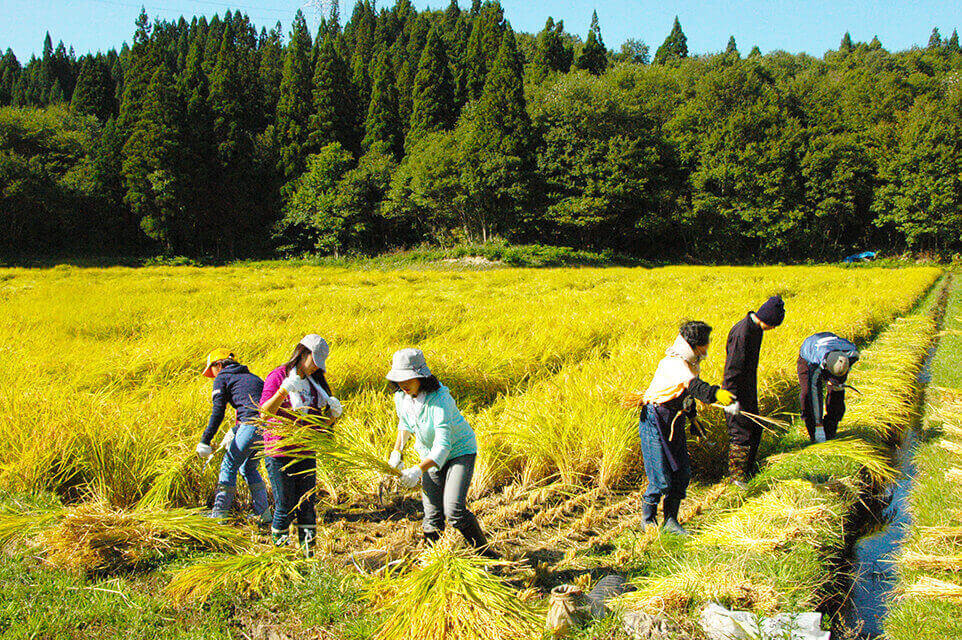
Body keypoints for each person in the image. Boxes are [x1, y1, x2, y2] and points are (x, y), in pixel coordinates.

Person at [384, 348, 496, 557]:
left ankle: (487, 555)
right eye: (399, 380)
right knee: (432, 515)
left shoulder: (441, 399)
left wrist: (418, 470)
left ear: (420, 376)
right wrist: (397, 451)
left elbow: (443, 446)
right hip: (429, 454)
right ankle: (433, 561)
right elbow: (405, 423)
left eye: (407, 378)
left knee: (454, 510)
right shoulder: (402, 397)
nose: (402, 384)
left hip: (459, 452)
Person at [638, 321, 739, 536]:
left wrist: (693, 417)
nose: (709, 346)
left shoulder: (690, 362)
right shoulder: (673, 364)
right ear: (695, 345)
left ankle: (671, 521)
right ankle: (648, 520)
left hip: (674, 419)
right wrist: (717, 395)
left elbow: (686, 394)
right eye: (706, 343)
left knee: (681, 472)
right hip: (654, 419)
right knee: (660, 478)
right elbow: (694, 386)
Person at [259, 334, 343, 557]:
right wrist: (284, 390)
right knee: (285, 506)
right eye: (314, 361)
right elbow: (264, 413)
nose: (317, 368)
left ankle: (309, 557)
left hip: (306, 452)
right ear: (303, 354)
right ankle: (281, 558)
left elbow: (317, 428)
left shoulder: (316, 385)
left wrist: (332, 417)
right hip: (280, 452)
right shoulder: (279, 376)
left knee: (307, 506)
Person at [196, 349, 269, 522]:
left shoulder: (223, 377)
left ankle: (219, 515)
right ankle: (263, 514)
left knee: (229, 465)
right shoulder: (253, 377)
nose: (213, 377)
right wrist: (235, 431)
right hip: (268, 428)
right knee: (248, 468)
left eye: (211, 371)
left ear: (219, 365)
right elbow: (252, 403)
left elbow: (218, 411)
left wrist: (205, 440)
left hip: (251, 424)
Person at [723, 296, 785, 487]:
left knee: (755, 428)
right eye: (773, 324)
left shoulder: (756, 329)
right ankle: (737, 478)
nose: (773, 328)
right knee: (740, 433)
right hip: (734, 392)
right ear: (766, 318)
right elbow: (732, 369)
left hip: (748, 388)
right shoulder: (743, 333)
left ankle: (748, 469)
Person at [798, 332, 859, 443]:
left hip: (835, 353)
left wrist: (836, 384)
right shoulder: (815, 363)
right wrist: (818, 424)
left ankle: (831, 429)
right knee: (807, 394)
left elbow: (842, 372)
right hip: (809, 354)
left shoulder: (852, 353)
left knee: (837, 390)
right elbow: (815, 393)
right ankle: (813, 432)